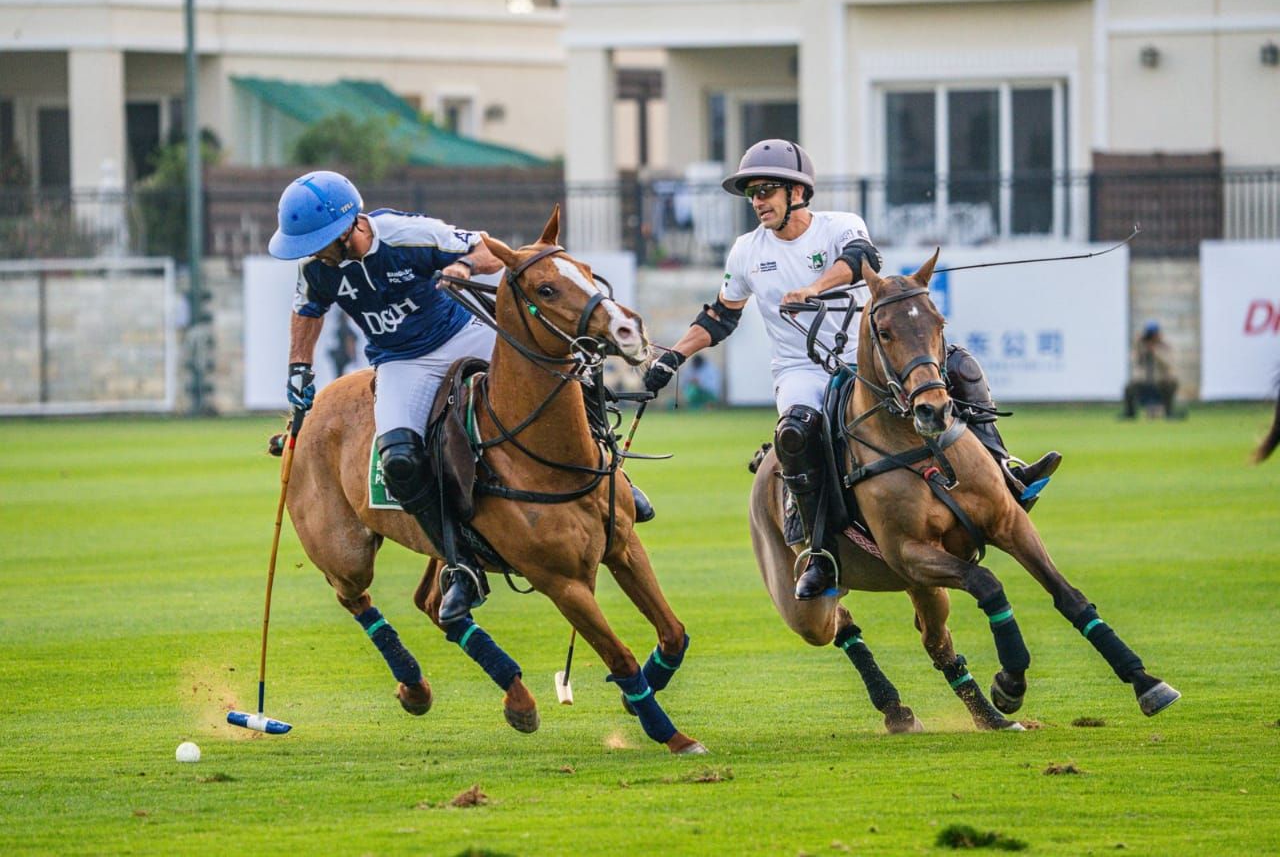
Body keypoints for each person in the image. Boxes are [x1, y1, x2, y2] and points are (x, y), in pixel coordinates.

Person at [642, 139, 1060, 600]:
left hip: (869, 359)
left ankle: (1006, 470)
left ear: (796, 192)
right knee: (796, 433)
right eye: (752, 193)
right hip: (801, 369)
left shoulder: (840, 226)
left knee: (960, 365)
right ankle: (818, 550)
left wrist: (812, 288)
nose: (757, 201)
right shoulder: (745, 251)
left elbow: (863, 261)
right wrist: (672, 357)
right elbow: (721, 315)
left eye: (766, 190)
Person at [269, 171, 653, 625]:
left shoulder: (406, 234)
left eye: (321, 241)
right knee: (399, 460)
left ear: (351, 225)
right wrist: (299, 368)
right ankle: (459, 562)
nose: (314, 252)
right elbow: (307, 311)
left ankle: (616, 481)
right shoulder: (318, 267)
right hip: (400, 362)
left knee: (558, 371)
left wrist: (463, 267)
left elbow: (489, 249)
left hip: (460, 335)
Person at [1122, 321, 1181, 419]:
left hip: (1161, 381)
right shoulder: (1140, 346)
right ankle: (1130, 413)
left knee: (1171, 383)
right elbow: (1134, 360)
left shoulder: (1165, 346)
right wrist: (1139, 346)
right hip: (1144, 381)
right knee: (1129, 387)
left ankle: (1169, 412)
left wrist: (1155, 352)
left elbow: (1169, 364)